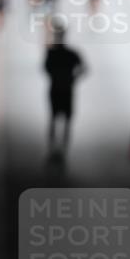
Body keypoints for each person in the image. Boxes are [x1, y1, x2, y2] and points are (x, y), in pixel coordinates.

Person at [43, 16, 87, 158]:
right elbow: (84, 68)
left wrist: (57, 77)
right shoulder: (69, 53)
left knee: (55, 118)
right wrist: (72, 78)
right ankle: (61, 148)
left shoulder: (53, 53)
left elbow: (45, 69)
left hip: (57, 88)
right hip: (65, 89)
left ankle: (55, 148)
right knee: (63, 120)